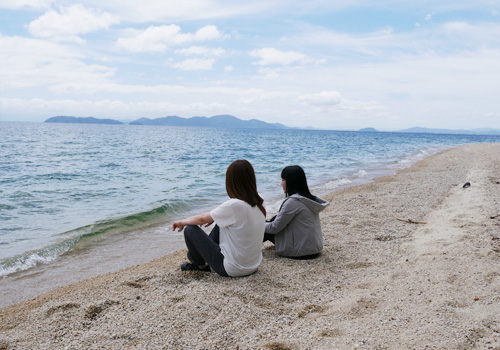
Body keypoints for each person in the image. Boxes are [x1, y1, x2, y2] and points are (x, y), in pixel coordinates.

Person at [172, 159, 266, 277]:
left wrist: (181, 222)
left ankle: (201, 266)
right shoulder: (260, 200)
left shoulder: (234, 205)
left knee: (190, 229)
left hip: (232, 268)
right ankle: (196, 255)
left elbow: (202, 219)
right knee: (220, 222)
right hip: (253, 265)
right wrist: (214, 218)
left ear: (231, 182)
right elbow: (218, 216)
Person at [264, 165, 328, 259]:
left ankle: (244, 251)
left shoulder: (293, 202)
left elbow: (274, 228)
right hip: (314, 248)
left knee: (264, 228)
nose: (281, 184)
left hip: (300, 251)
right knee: (274, 219)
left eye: (283, 180)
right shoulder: (308, 198)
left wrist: (257, 224)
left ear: (290, 182)